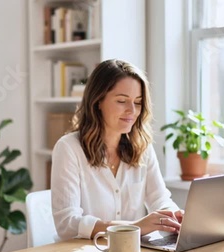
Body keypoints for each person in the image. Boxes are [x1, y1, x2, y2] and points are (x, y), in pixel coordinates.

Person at [51, 59, 183, 241]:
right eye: (122, 101)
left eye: (138, 102)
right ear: (98, 101)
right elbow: (67, 224)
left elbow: (159, 199)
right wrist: (134, 227)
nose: (132, 110)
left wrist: (173, 216)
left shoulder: (142, 147)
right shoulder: (69, 148)